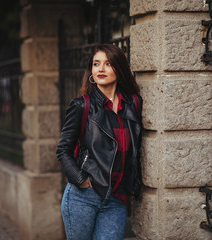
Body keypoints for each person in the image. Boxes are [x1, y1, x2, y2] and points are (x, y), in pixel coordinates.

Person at [56, 44, 143, 240]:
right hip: (83, 197)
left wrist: (134, 184)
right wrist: (81, 180)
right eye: (96, 64)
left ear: (119, 69)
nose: (101, 69)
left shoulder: (134, 103)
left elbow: (137, 149)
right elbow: (63, 150)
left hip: (116, 199)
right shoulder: (82, 105)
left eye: (108, 64)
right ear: (91, 71)